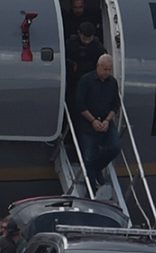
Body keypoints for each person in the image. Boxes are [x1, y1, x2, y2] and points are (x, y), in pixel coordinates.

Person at [75, 54, 121, 191]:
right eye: (105, 69)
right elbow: (80, 104)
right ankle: (91, 189)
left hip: (106, 121)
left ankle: (97, 168)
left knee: (115, 147)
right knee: (89, 156)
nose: (107, 72)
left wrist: (107, 120)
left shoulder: (112, 82)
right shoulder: (86, 80)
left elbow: (115, 105)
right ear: (98, 67)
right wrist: (93, 121)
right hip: (88, 122)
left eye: (109, 70)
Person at [65, 22, 107, 111]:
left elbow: (104, 60)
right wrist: (71, 64)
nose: (87, 41)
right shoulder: (71, 43)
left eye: (89, 38)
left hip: (90, 78)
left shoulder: (97, 46)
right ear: (79, 34)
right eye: (84, 38)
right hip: (73, 78)